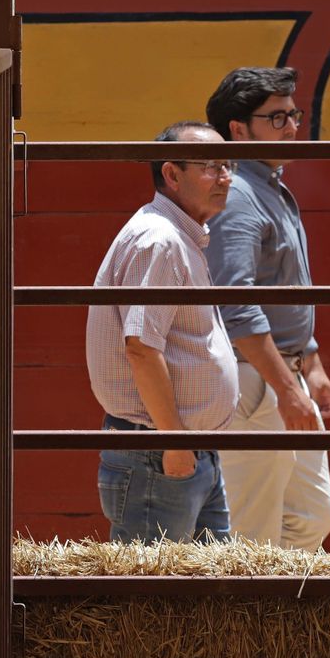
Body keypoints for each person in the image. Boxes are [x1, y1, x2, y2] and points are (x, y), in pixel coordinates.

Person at [85, 121, 241, 543]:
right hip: (159, 453)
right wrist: (174, 442)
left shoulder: (176, 236)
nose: (225, 177)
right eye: (211, 166)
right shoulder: (160, 240)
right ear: (172, 174)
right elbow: (141, 347)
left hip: (179, 450)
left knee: (209, 578)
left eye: (228, 165)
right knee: (154, 581)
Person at [203, 67, 330, 550]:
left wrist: (310, 362)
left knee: (311, 516)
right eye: (277, 118)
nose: (292, 127)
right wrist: (285, 386)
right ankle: (249, 602)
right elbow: (235, 302)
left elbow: (282, 285)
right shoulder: (240, 194)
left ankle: (279, 602)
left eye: (294, 115)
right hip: (256, 379)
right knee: (251, 530)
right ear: (238, 129)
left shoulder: (267, 186)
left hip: (280, 372)